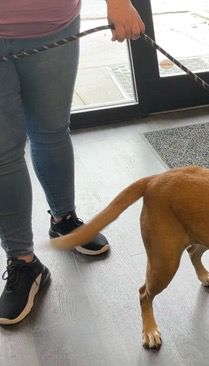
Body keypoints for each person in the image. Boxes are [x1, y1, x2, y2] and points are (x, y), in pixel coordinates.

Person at [0, 0, 144, 325]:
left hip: (51, 22)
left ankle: (63, 219)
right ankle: (23, 261)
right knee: (2, 153)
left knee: (51, 131)